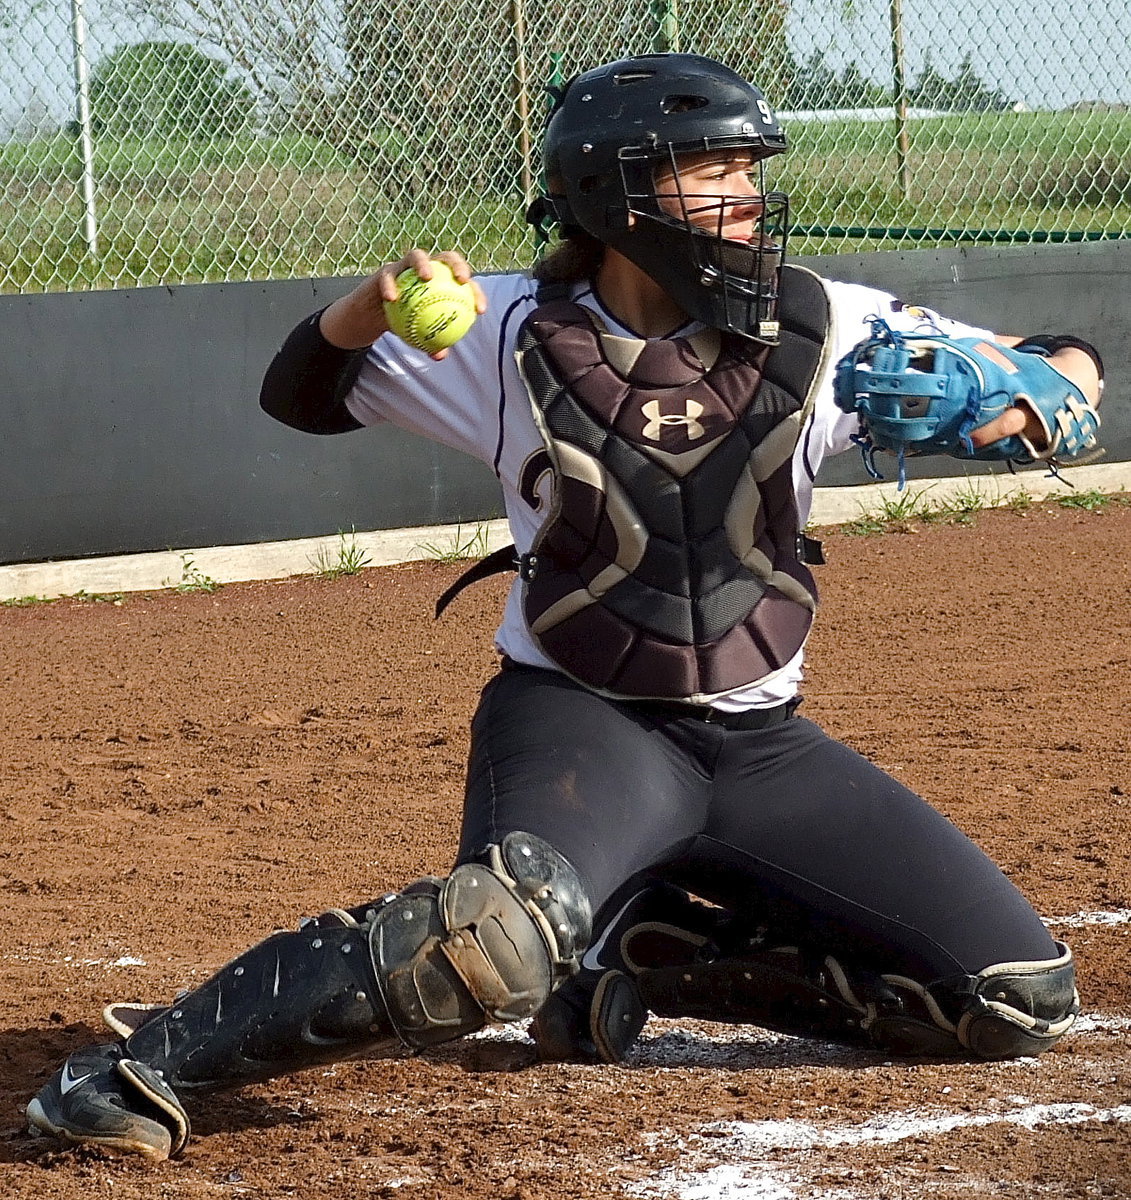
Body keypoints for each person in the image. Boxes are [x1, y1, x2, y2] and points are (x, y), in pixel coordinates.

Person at [27, 52, 1102, 1161]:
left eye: (749, 170)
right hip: (583, 726)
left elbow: (1054, 362)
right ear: (617, 191)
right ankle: (132, 1072)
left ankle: (653, 951)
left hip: (766, 750)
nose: (745, 197)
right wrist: (365, 307)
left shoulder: (824, 326)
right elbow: (298, 393)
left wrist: (1055, 387)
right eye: (713, 170)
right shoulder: (505, 333)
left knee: (1016, 998)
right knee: (488, 940)